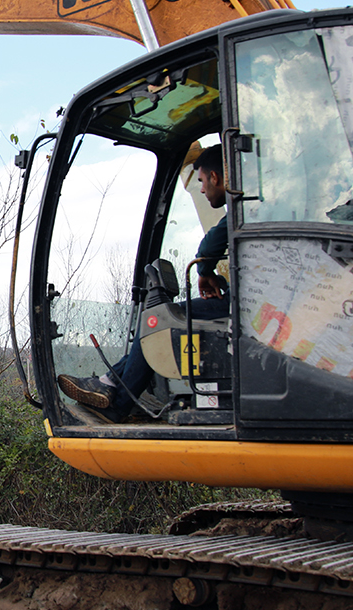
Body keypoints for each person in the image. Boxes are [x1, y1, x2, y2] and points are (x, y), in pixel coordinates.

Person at [59, 144, 230, 422]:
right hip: (245, 304)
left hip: (242, 309)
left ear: (215, 177)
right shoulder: (260, 208)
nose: (201, 189)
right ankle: (111, 382)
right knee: (159, 320)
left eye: (201, 181)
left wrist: (204, 269)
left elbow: (211, 242)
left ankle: (118, 400)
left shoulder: (241, 211)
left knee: (157, 320)